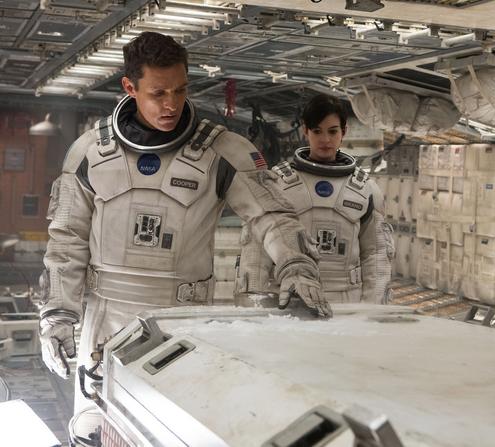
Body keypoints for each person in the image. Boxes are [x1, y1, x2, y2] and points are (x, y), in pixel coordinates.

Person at [38, 32, 331, 408]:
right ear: (130, 87)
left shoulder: (223, 153)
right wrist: (57, 314)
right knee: (97, 426)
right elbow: (67, 238)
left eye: (180, 90)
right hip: (105, 320)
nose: (171, 104)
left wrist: (297, 267)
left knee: (177, 422)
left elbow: (271, 216)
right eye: (158, 93)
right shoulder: (90, 152)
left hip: (182, 321)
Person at [237, 94, 394, 304]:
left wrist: (372, 312)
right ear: (306, 131)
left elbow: (376, 256)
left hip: (347, 306)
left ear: (344, 131)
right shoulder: (277, 183)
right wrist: (252, 306)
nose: (325, 140)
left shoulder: (367, 190)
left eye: (332, 131)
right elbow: (256, 253)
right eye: (317, 131)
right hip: (289, 304)